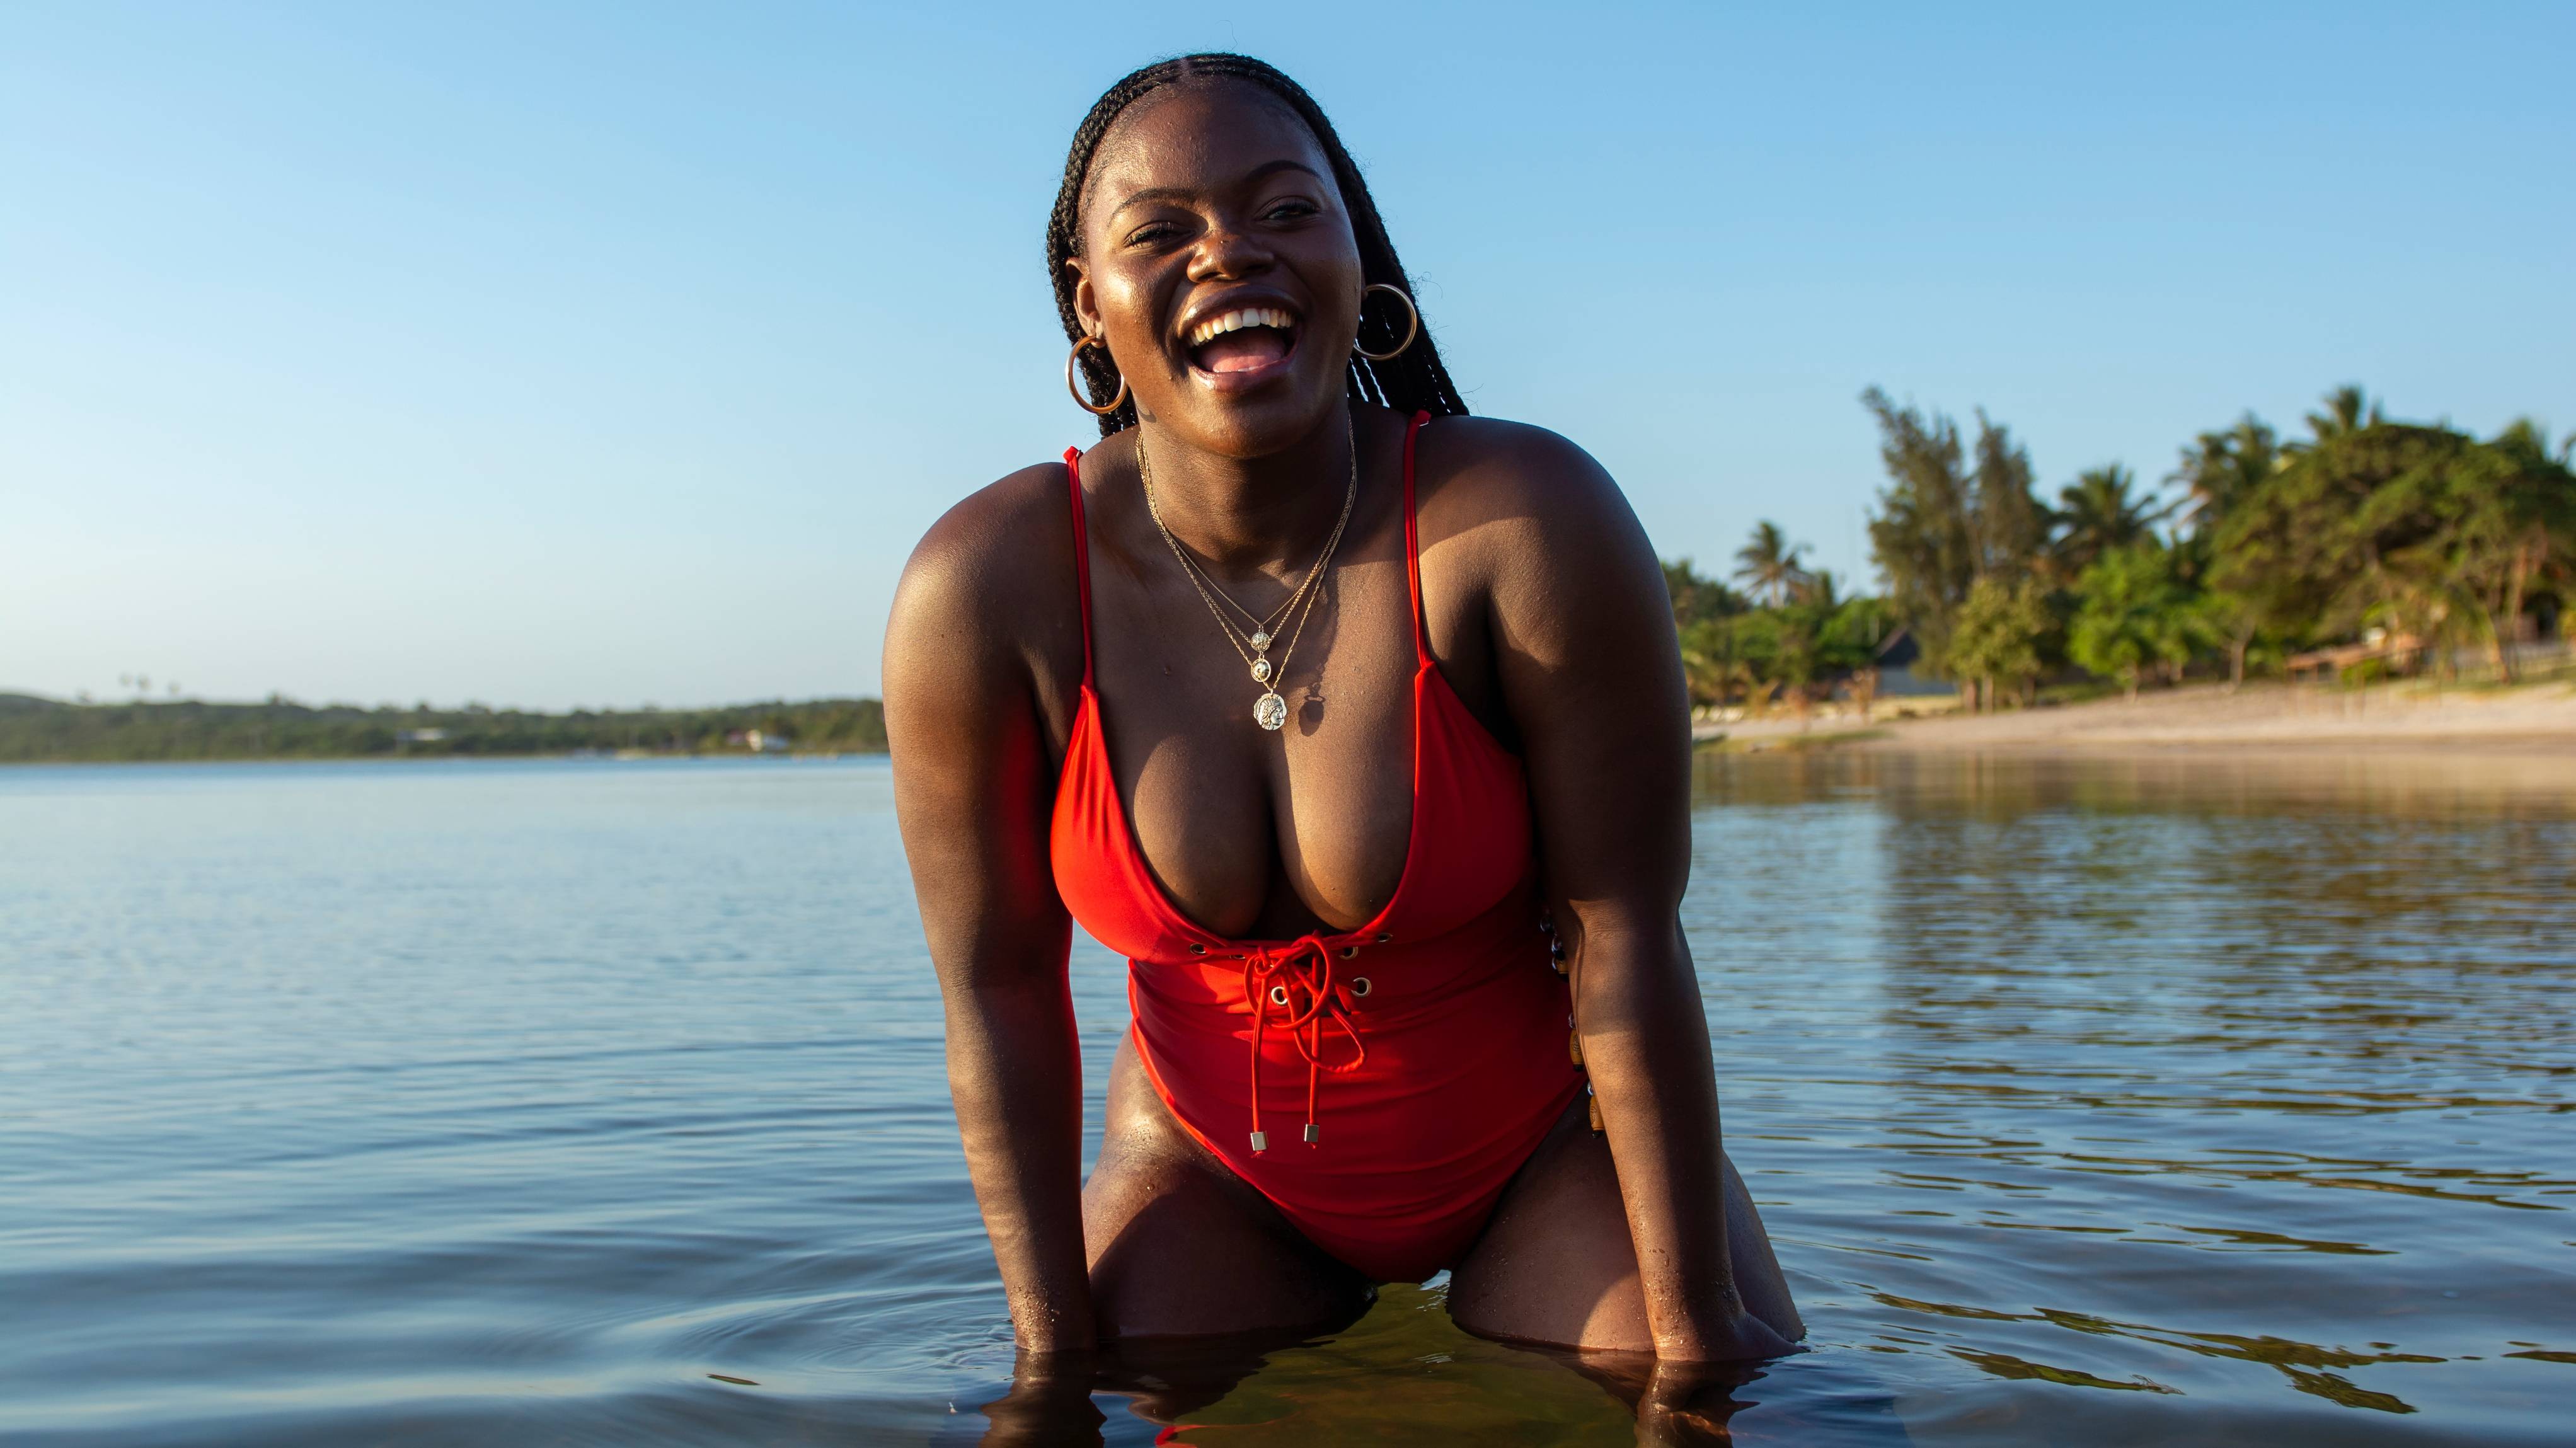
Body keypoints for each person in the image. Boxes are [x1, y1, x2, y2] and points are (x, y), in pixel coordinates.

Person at [884, 50, 1803, 1411]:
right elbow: (1001, 992)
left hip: (1541, 1150)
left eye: (1284, 211)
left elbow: (1626, 937)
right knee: (1108, 1387)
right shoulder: (993, 586)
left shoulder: (1518, 521)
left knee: (1704, 1391)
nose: (1229, 256)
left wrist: (1698, 1344)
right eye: (1161, 233)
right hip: (1209, 1171)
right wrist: (1048, 1368)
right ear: (1091, 308)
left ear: (1357, 255)